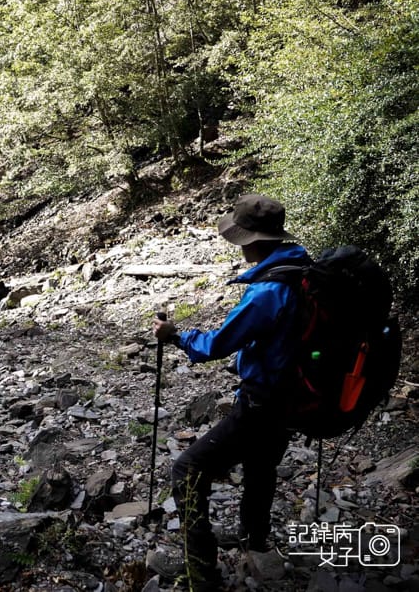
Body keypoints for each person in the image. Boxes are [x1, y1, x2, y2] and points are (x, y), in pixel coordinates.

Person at [152, 194, 311, 590]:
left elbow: (218, 343)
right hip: (293, 396)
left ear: (253, 240)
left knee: (187, 468)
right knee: (261, 466)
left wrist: (175, 335)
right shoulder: (303, 268)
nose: (238, 245)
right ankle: (254, 540)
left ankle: (200, 572)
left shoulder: (268, 292)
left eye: (240, 238)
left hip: (263, 401)